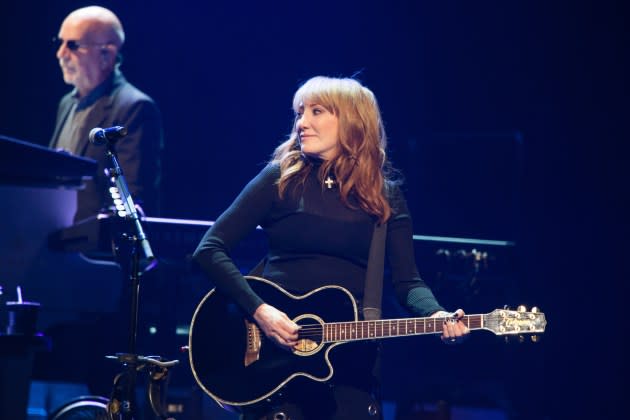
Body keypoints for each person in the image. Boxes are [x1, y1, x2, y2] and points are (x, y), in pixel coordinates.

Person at [193, 76, 469, 420]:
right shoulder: (280, 179)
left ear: (351, 121)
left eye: (316, 111)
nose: (301, 123)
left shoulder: (385, 196)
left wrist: (437, 315)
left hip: (350, 365)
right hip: (277, 366)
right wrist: (261, 312)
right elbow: (209, 249)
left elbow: (408, 283)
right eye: (299, 113)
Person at [50, 6, 162, 222]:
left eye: (72, 45)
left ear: (106, 55)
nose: (61, 54)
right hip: (54, 240)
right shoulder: (66, 104)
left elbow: (131, 195)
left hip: (95, 249)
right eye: (59, 43)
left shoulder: (135, 108)